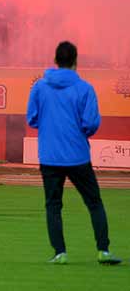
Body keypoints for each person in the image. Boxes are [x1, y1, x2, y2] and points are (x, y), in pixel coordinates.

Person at [27, 41, 121, 265]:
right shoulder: (85, 88)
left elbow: (32, 118)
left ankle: (60, 252)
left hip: (49, 156)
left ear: (56, 61)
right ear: (76, 61)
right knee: (94, 203)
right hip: (77, 155)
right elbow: (90, 123)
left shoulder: (40, 87)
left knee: (53, 205)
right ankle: (103, 250)